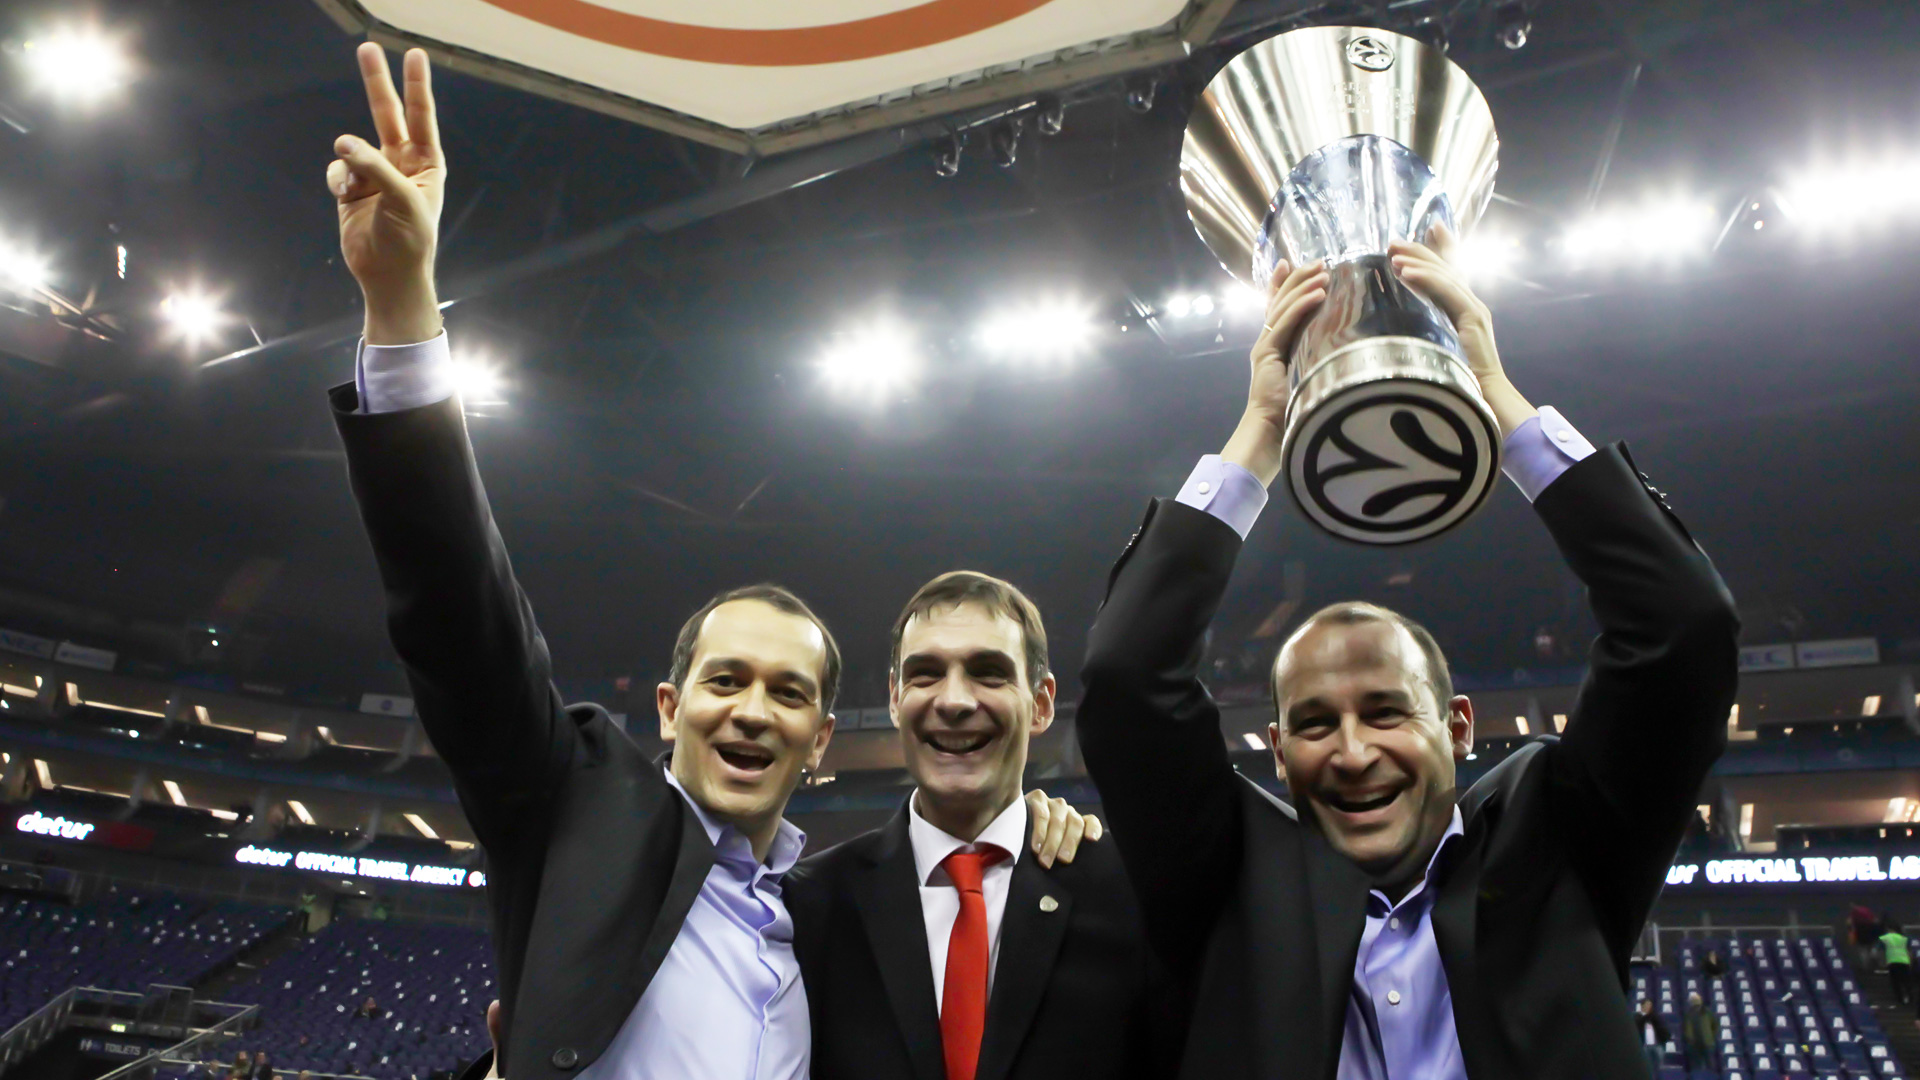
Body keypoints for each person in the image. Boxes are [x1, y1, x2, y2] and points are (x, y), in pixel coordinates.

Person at [323, 44, 1092, 1080]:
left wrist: (1034, 821)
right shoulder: (578, 814)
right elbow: (460, 615)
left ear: (822, 740)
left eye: (788, 693)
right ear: (668, 707)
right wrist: (401, 307)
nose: (753, 712)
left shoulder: (828, 920)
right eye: (726, 680)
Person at [1076, 234, 1739, 1079]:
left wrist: (1493, 398)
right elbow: (1126, 678)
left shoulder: (1560, 840)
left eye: (1386, 711)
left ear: (1457, 726)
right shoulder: (1227, 876)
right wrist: (1262, 433)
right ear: (1276, 751)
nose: (1353, 753)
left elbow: (1683, 627)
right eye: (1315, 724)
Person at [788, 572, 1174, 1080]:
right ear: (894, 699)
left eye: (989, 673)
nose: (954, 701)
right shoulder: (810, 904)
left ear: (1041, 704)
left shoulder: (1130, 893)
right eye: (925, 673)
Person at [1682, 991, 1716, 1072]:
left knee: (1707, 1066)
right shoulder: (1689, 1015)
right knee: (1699, 1068)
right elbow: (1687, 1030)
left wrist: (1710, 1036)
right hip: (1698, 1045)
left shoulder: (1707, 1013)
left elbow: (1715, 1025)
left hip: (1704, 1044)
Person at [1634, 999, 1669, 1076]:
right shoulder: (1637, 1017)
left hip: (1657, 1045)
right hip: (1644, 1046)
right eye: (1647, 1005)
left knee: (1660, 1068)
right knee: (1647, 1068)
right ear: (1642, 1006)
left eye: (1650, 1005)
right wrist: (1646, 1016)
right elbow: (1638, 1025)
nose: (1649, 1007)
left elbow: (1661, 1028)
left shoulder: (1655, 1017)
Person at [1881, 920, 1911, 1004]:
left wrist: (1882, 962)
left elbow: (1878, 949)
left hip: (1892, 961)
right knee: (1906, 981)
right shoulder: (1904, 938)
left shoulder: (1885, 938)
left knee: (1895, 982)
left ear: (1889, 929)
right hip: (1904, 961)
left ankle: (1900, 999)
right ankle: (1910, 997)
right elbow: (1909, 950)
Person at [1852, 903, 1883, 972]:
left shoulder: (1857, 920)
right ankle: (1876, 964)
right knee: (1872, 950)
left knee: (1863, 952)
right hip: (1870, 937)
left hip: (1862, 937)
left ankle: (1866, 967)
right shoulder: (1870, 920)